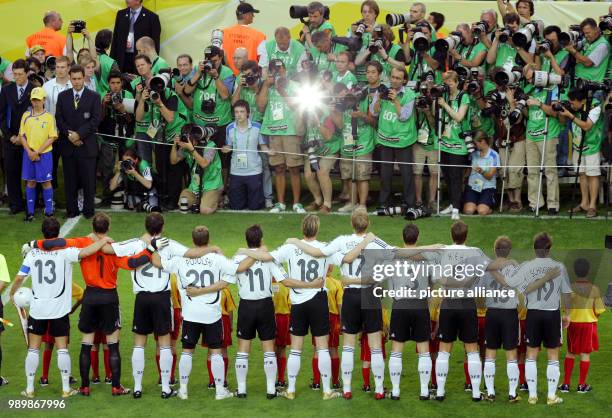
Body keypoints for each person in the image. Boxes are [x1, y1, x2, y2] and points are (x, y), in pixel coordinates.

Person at [27, 212, 155, 396]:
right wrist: (150, 251)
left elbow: (56, 243)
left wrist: (32, 244)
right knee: (113, 343)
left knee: (87, 343)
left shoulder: (82, 243)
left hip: (90, 296)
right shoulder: (113, 247)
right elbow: (133, 263)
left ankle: (85, 386)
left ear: (92, 227)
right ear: (108, 228)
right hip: (109, 297)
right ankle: (116, 386)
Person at [286, 210, 390, 400]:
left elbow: (317, 252)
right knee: (375, 346)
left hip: (349, 294)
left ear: (352, 223)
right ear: (368, 223)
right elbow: (396, 254)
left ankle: (347, 388)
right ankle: (379, 389)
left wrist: (295, 241)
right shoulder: (375, 241)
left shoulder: (341, 241)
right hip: (370, 294)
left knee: (348, 345)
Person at [237, 215, 341, 400]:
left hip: (298, 302)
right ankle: (326, 390)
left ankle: (291, 389)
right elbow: (343, 260)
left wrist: (246, 251)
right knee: (323, 347)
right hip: (318, 299)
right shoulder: (325, 247)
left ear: (302, 229)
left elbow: (267, 256)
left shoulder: (290, 247)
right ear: (317, 229)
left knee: (295, 348)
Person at [10, 217, 112, 398]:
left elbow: (19, 277)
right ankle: (66, 389)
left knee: (34, 348)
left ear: (43, 233)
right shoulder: (65, 252)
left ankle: (30, 389)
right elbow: (87, 252)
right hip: (59, 310)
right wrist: (103, 240)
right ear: (58, 233)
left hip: (38, 309)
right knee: (62, 348)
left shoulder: (32, 254)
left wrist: (12, 294)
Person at [150, 225, 253, 400]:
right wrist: (258, 252)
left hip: (190, 314)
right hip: (212, 314)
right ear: (208, 239)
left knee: (187, 351)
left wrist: (153, 247)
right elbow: (238, 269)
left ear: (193, 241)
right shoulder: (217, 258)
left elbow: (156, 262)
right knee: (216, 352)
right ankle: (220, 390)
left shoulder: (181, 259)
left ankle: (183, 389)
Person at [505, 232, 572, 405]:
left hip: (533, 313)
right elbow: (566, 293)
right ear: (549, 249)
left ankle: (532, 396)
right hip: (552, 313)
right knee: (553, 355)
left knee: (531, 354)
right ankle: (551, 396)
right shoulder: (559, 266)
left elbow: (518, 288)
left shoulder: (526, 266)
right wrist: (567, 314)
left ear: (534, 248)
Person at [226, 225, 288, 398]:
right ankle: (270, 390)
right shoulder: (267, 257)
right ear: (261, 239)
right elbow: (282, 278)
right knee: (268, 347)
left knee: (243, 348)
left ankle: (242, 389)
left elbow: (230, 275)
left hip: (246, 306)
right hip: (265, 305)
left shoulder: (238, 257)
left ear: (247, 240)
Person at [385, 224, 435, 401]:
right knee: (423, 349)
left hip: (400, 305)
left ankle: (396, 390)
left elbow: (389, 286)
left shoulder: (393, 257)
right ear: (418, 237)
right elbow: (432, 284)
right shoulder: (426, 258)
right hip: (420, 305)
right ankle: (423, 391)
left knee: (397, 349)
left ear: (403, 237)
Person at [257, 59, 305, 214]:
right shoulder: (267, 86)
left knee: (294, 168)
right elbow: (260, 106)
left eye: (280, 69)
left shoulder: (295, 86)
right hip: (274, 131)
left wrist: (281, 89)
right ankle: (281, 203)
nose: (278, 72)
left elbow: (295, 106)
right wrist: (266, 84)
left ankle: (297, 203)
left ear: (285, 69)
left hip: (291, 131)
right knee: (278, 168)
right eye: (274, 70)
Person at [479, 236, 522, 402]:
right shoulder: (516, 268)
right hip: (509, 313)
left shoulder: (488, 268)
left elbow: (480, 293)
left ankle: (490, 392)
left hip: (492, 313)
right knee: (511, 352)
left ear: (495, 250)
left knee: (490, 351)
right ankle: (512, 393)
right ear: (509, 251)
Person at [183, 45, 234, 186]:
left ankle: (222, 190)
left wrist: (216, 76)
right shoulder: (198, 69)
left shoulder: (227, 72)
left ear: (221, 58)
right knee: (198, 156)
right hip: (200, 123)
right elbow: (186, 90)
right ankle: (200, 187)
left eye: (215, 60)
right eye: (208, 60)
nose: (212, 63)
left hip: (221, 123)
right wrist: (198, 73)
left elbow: (225, 96)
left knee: (223, 159)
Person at [55, 65, 101, 219]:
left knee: (88, 182)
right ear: (70, 78)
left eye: (79, 78)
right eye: (73, 79)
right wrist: (70, 135)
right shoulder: (63, 96)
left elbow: (95, 120)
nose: (76, 82)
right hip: (68, 146)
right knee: (70, 181)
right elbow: (59, 119)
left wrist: (79, 135)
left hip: (87, 146)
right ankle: (72, 210)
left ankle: (88, 211)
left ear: (84, 78)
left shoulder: (94, 96)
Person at [371, 66, 417, 211]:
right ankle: (384, 203)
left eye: (398, 78)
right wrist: (378, 98)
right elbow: (374, 112)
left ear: (404, 80)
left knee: (407, 174)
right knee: (385, 174)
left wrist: (396, 99)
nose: (394, 80)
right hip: (385, 139)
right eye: (393, 77)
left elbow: (403, 116)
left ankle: (410, 204)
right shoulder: (383, 91)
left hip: (403, 140)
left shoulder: (410, 95)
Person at [559, 258, 605, 394]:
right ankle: (581, 385)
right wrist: (593, 318)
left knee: (570, 352)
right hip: (588, 325)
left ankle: (566, 384)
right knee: (585, 354)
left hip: (573, 324)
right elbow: (599, 310)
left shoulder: (570, 288)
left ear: (574, 272)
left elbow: (564, 307)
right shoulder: (594, 289)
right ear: (588, 272)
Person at [561, 88, 605, 218]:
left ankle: (592, 206)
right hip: (577, 145)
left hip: (592, 146)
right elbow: (564, 122)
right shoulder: (574, 108)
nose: (571, 104)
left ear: (582, 101)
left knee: (593, 175)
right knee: (582, 174)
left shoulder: (595, 106)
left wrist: (570, 115)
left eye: (572, 102)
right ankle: (584, 203)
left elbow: (587, 126)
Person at [0, 59, 33, 215]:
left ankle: (32, 202)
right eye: (15, 74)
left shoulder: (35, 90)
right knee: (12, 172)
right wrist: (11, 136)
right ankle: (15, 204)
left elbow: (37, 117)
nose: (17, 77)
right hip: (10, 140)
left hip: (30, 141)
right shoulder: (6, 90)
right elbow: (1, 116)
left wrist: (24, 138)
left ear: (27, 73)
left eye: (20, 74)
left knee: (30, 174)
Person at [19, 87, 57, 221]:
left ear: (44, 100)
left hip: (44, 155)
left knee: (46, 182)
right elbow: (22, 135)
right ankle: (30, 213)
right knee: (30, 182)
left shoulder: (49, 117)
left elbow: (52, 137)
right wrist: (29, 152)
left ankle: (49, 212)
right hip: (28, 155)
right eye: (33, 100)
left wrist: (37, 152)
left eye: (38, 100)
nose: (35, 103)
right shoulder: (26, 116)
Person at [437, 70, 471, 217]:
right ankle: (452, 203)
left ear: (457, 83)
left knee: (456, 176)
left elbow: (459, 117)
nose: (448, 85)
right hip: (445, 142)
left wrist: (444, 105)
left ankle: (457, 207)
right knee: (447, 176)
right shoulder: (443, 96)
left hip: (458, 143)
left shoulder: (464, 97)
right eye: (446, 82)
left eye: (451, 82)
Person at [222, 100, 267, 210]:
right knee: (236, 207)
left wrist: (269, 151)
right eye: (236, 112)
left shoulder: (257, 127)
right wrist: (226, 149)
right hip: (236, 172)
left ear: (248, 113)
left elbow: (263, 146)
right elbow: (228, 146)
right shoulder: (229, 128)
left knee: (254, 207)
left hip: (254, 171)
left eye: (242, 111)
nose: (239, 115)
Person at [98, 71, 135, 198]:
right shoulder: (104, 95)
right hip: (108, 137)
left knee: (126, 164)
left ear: (122, 83)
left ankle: (126, 192)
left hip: (125, 136)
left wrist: (122, 110)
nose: (115, 86)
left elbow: (132, 120)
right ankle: (107, 194)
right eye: (112, 83)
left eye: (118, 83)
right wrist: (104, 104)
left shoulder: (128, 94)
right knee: (107, 167)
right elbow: (99, 119)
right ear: (108, 84)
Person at [171, 127, 223, 215]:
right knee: (183, 204)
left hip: (212, 185)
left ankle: (216, 199)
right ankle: (201, 200)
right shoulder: (186, 146)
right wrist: (174, 145)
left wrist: (191, 149)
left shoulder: (211, 146)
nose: (186, 140)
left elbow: (204, 164)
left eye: (189, 138)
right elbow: (173, 160)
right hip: (195, 186)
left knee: (204, 211)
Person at [111, 0, 161, 74]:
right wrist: (112, 61)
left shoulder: (152, 17)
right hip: (122, 59)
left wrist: (152, 63)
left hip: (141, 61)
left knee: (137, 84)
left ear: (138, 1)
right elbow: (115, 39)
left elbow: (155, 44)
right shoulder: (121, 14)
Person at [222, 2, 266, 75]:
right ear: (247, 15)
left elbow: (219, 56)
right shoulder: (259, 36)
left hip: (227, 78)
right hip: (249, 79)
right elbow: (263, 61)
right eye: (252, 14)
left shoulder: (223, 33)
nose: (253, 16)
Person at [463, 131, 499, 216]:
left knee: (481, 212)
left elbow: (490, 176)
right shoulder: (473, 153)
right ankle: (476, 204)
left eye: (475, 143)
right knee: (469, 211)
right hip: (473, 186)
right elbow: (468, 169)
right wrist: (464, 178)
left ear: (482, 141)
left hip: (487, 188)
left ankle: (487, 207)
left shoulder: (494, 155)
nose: (474, 146)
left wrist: (481, 171)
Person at [568, 18, 610, 84]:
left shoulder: (603, 45)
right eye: (584, 33)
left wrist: (572, 50)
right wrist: (571, 42)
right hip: (580, 82)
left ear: (597, 29)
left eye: (588, 33)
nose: (586, 36)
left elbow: (588, 63)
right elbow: (577, 45)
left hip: (591, 85)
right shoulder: (587, 40)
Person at [93, 29, 120, 97]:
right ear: (109, 44)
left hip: (90, 97)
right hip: (106, 98)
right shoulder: (111, 62)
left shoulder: (86, 57)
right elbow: (117, 84)